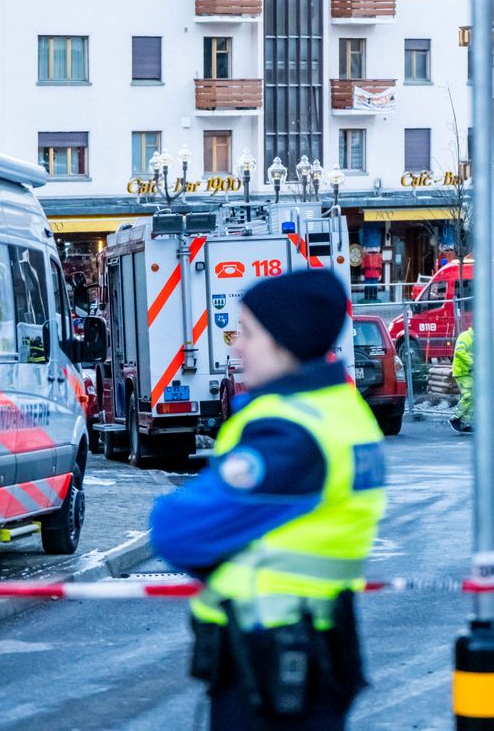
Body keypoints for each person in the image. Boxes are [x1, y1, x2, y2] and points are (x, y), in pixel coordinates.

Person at [150, 269, 386, 731]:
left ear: (284, 341)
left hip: (272, 667)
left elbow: (175, 530)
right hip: (312, 650)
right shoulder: (341, 412)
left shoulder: (289, 433)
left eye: (249, 332)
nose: (236, 344)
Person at [450, 325, 474, 433]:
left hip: (469, 372)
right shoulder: (465, 336)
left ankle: (465, 422)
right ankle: (455, 417)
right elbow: (459, 352)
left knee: (473, 397)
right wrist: (473, 364)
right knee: (469, 396)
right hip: (462, 372)